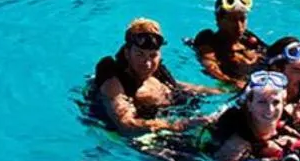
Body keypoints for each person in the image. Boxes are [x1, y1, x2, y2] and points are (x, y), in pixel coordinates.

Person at [88, 18, 218, 135]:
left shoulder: (156, 71)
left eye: (153, 55)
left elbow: (177, 85)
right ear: (127, 54)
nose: (147, 63)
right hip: (152, 135)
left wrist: (221, 92)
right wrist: (178, 125)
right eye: (140, 55)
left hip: (179, 115)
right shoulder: (114, 83)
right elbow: (126, 124)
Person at [205, 71, 300, 161]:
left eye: (276, 102)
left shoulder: (284, 128)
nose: (270, 109)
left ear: (284, 103)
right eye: (262, 102)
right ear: (249, 104)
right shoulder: (239, 142)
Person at [191, 0, 268, 85]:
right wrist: (233, 83)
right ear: (218, 20)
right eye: (232, 20)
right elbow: (211, 67)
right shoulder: (208, 40)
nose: (239, 26)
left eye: (242, 19)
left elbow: (273, 54)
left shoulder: (248, 38)